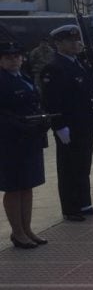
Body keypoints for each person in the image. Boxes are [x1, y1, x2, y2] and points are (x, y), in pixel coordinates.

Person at [40, 25, 93, 222]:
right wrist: (59, 125)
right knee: (69, 166)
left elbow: (85, 91)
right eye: (70, 41)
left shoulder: (79, 63)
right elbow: (51, 100)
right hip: (69, 125)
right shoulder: (54, 67)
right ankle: (70, 208)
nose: (75, 44)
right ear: (58, 44)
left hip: (85, 122)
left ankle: (84, 202)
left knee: (83, 164)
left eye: (77, 40)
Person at [0, 40, 49, 248]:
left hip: (29, 138)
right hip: (10, 140)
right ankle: (17, 232)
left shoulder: (24, 77)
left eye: (17, 56)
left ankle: (27, 228)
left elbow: (34, 102)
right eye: (8, 57)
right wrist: (19, 124)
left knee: (27, 185)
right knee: (13, 187)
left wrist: (42, 119)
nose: (14, 60)